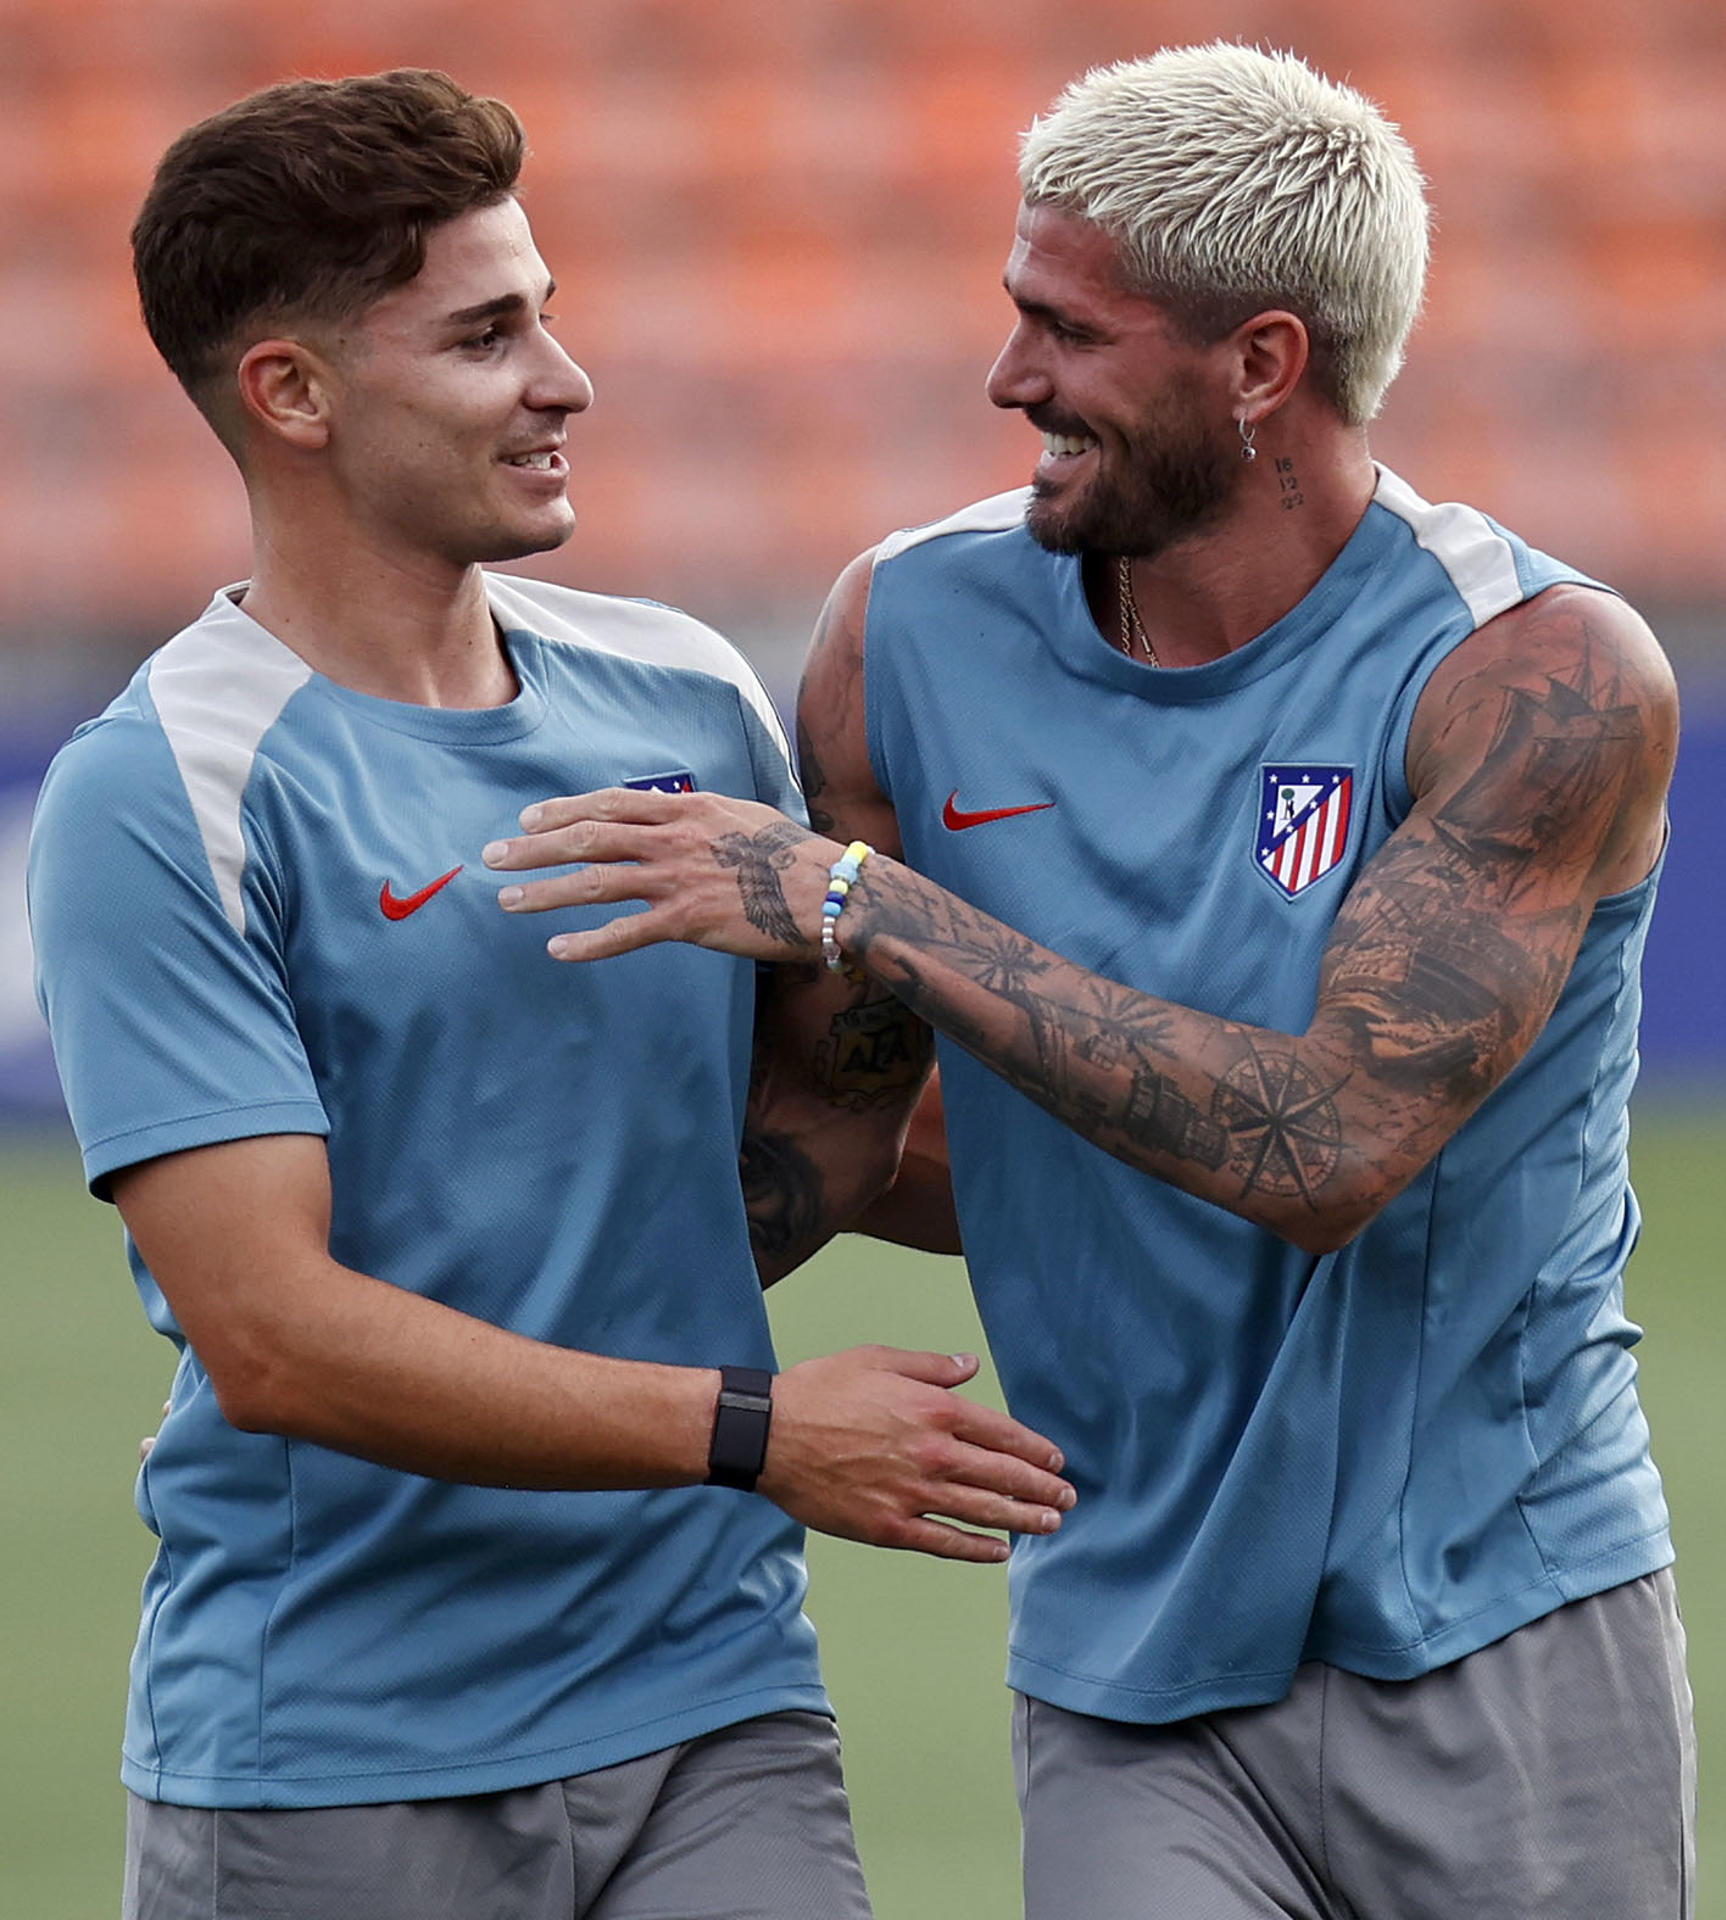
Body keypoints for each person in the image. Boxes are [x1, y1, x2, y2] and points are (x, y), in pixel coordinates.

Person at [482, 42, 1696, 1920]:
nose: (1009, 377)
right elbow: (830, 1141)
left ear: (1262, 363)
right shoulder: (908, 630)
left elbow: (1325, 1149)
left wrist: (860, 900)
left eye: (1069, 330)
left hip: (1502, 1617)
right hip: (1122, 1645)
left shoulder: (1531, 675)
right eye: (1013, 312)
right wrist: (402, 1328)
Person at [26, 69, 1075, 1920]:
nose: (563, 382)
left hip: (714, 1703)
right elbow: (268, 1333)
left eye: (554, 318)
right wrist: (759, 1431)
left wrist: (1232, 1155)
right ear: (292, 393)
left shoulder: (687, 701)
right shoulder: (164, 788)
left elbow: (853, 1146)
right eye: (487, 334)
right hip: (336, 1755)